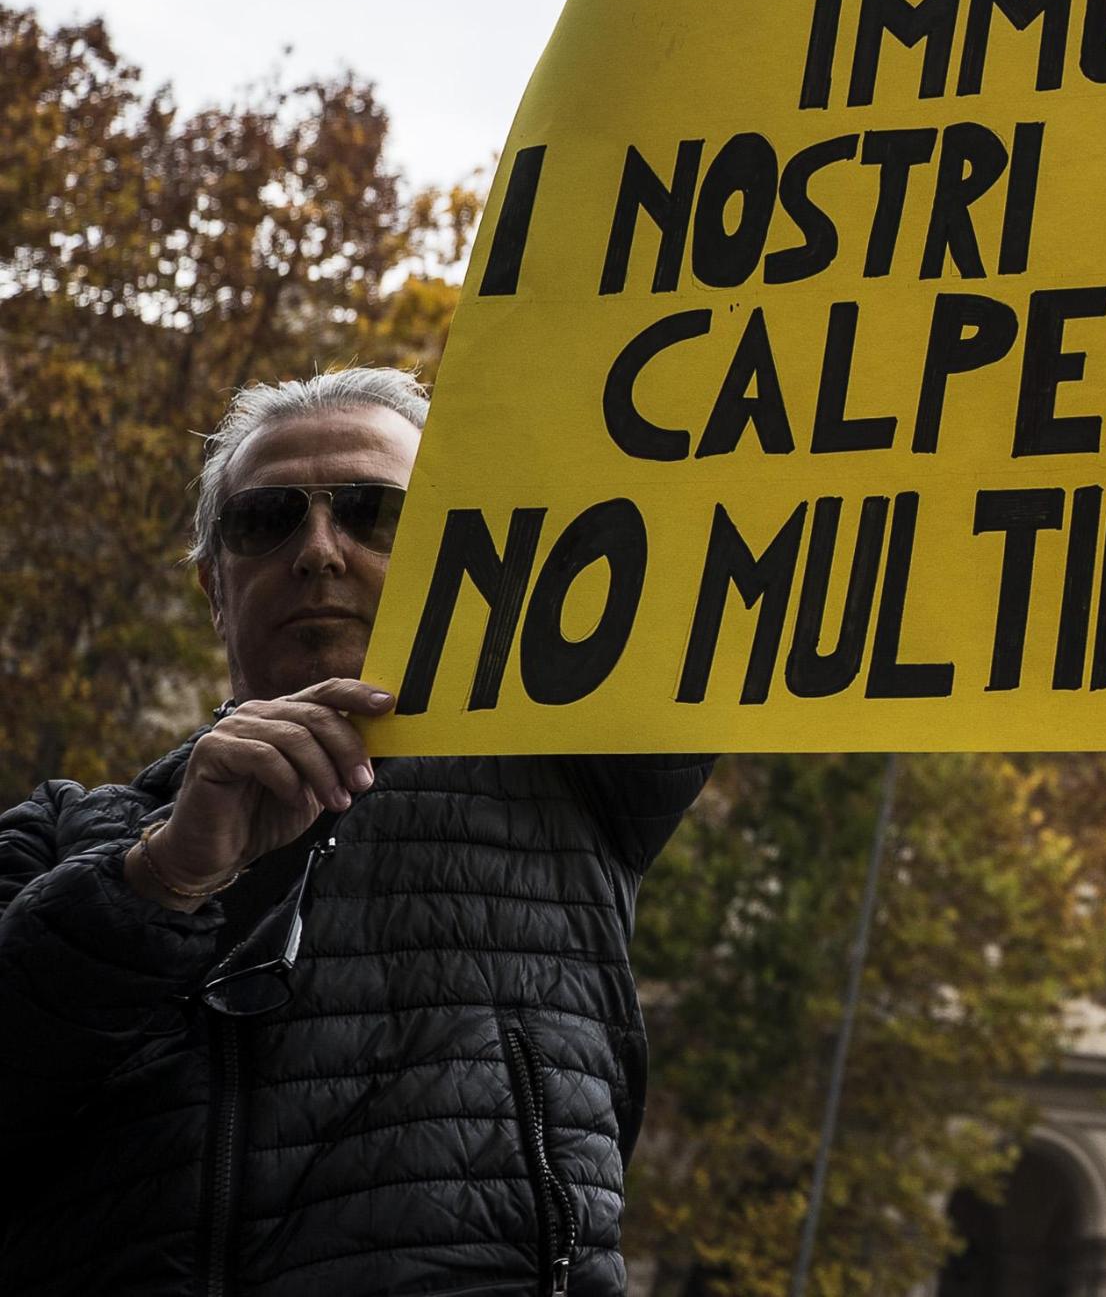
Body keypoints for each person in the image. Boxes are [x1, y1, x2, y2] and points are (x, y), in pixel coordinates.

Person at [0, 368, 709, 1296]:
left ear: (468, 554)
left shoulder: (569, 770)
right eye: (268, 519)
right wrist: (160, 879)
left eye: (378, 515)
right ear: (216, 587)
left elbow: (694, 489)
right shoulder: (63, 838)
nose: (320, 551)